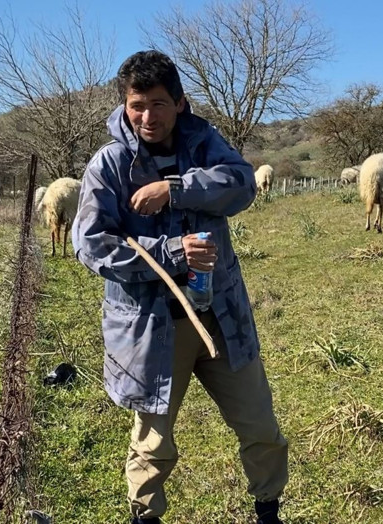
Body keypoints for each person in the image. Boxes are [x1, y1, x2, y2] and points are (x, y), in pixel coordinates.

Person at [72, 50, 288, 524]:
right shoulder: (109, 165)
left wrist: (175, 188)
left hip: (221, 317)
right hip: (152, 328)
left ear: (179, 103)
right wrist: (171, 253)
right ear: (125, 105)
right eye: (137, 105)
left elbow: (242, 184)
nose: (148, 116)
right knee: (152, 442)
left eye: (159, 104)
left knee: (260, 426)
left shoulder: (204, 142)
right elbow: (90, 244)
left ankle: (268, 509)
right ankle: (145, 516)